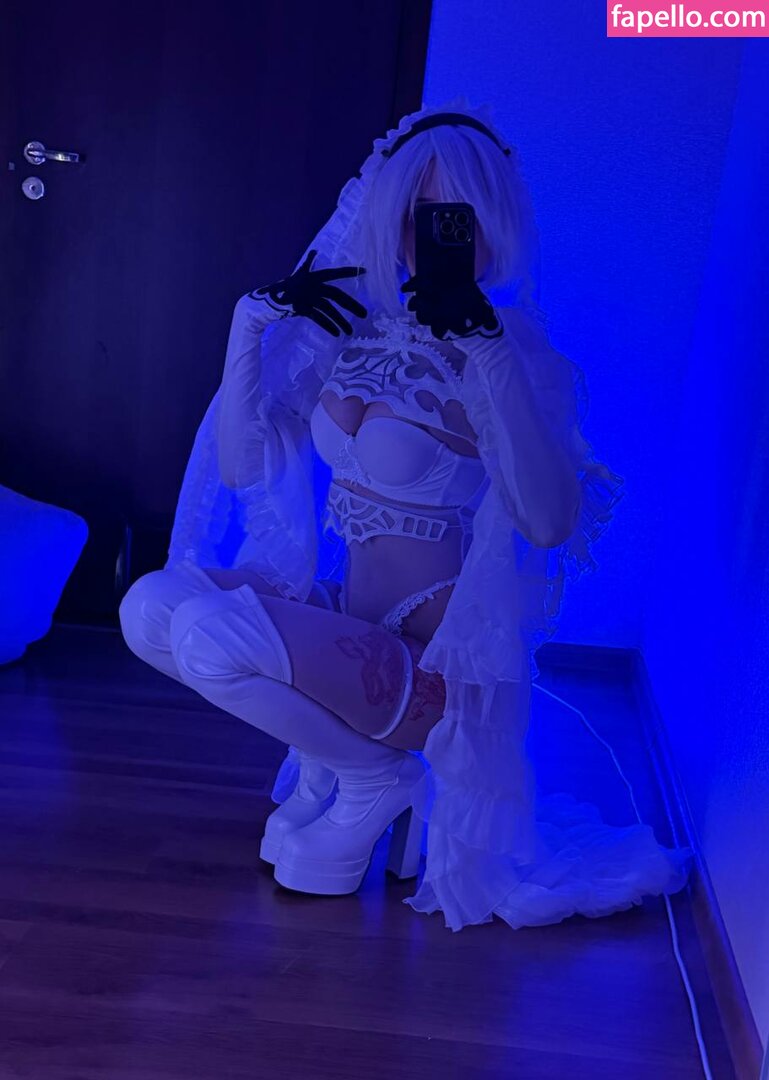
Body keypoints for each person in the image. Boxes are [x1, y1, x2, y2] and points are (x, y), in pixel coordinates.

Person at [119, 98, 692, 931]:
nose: (426, 234)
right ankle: (344, 762)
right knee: (150, 606)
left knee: (213, 634)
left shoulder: (513, 351)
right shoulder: (347, 331)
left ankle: (371, 777)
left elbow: (549, 524)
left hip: (434, 665)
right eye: (410, 212)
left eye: (452, 215)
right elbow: (243, 467)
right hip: (350, 626)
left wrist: (487, 353)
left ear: (491, 223)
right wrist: (251, 325)